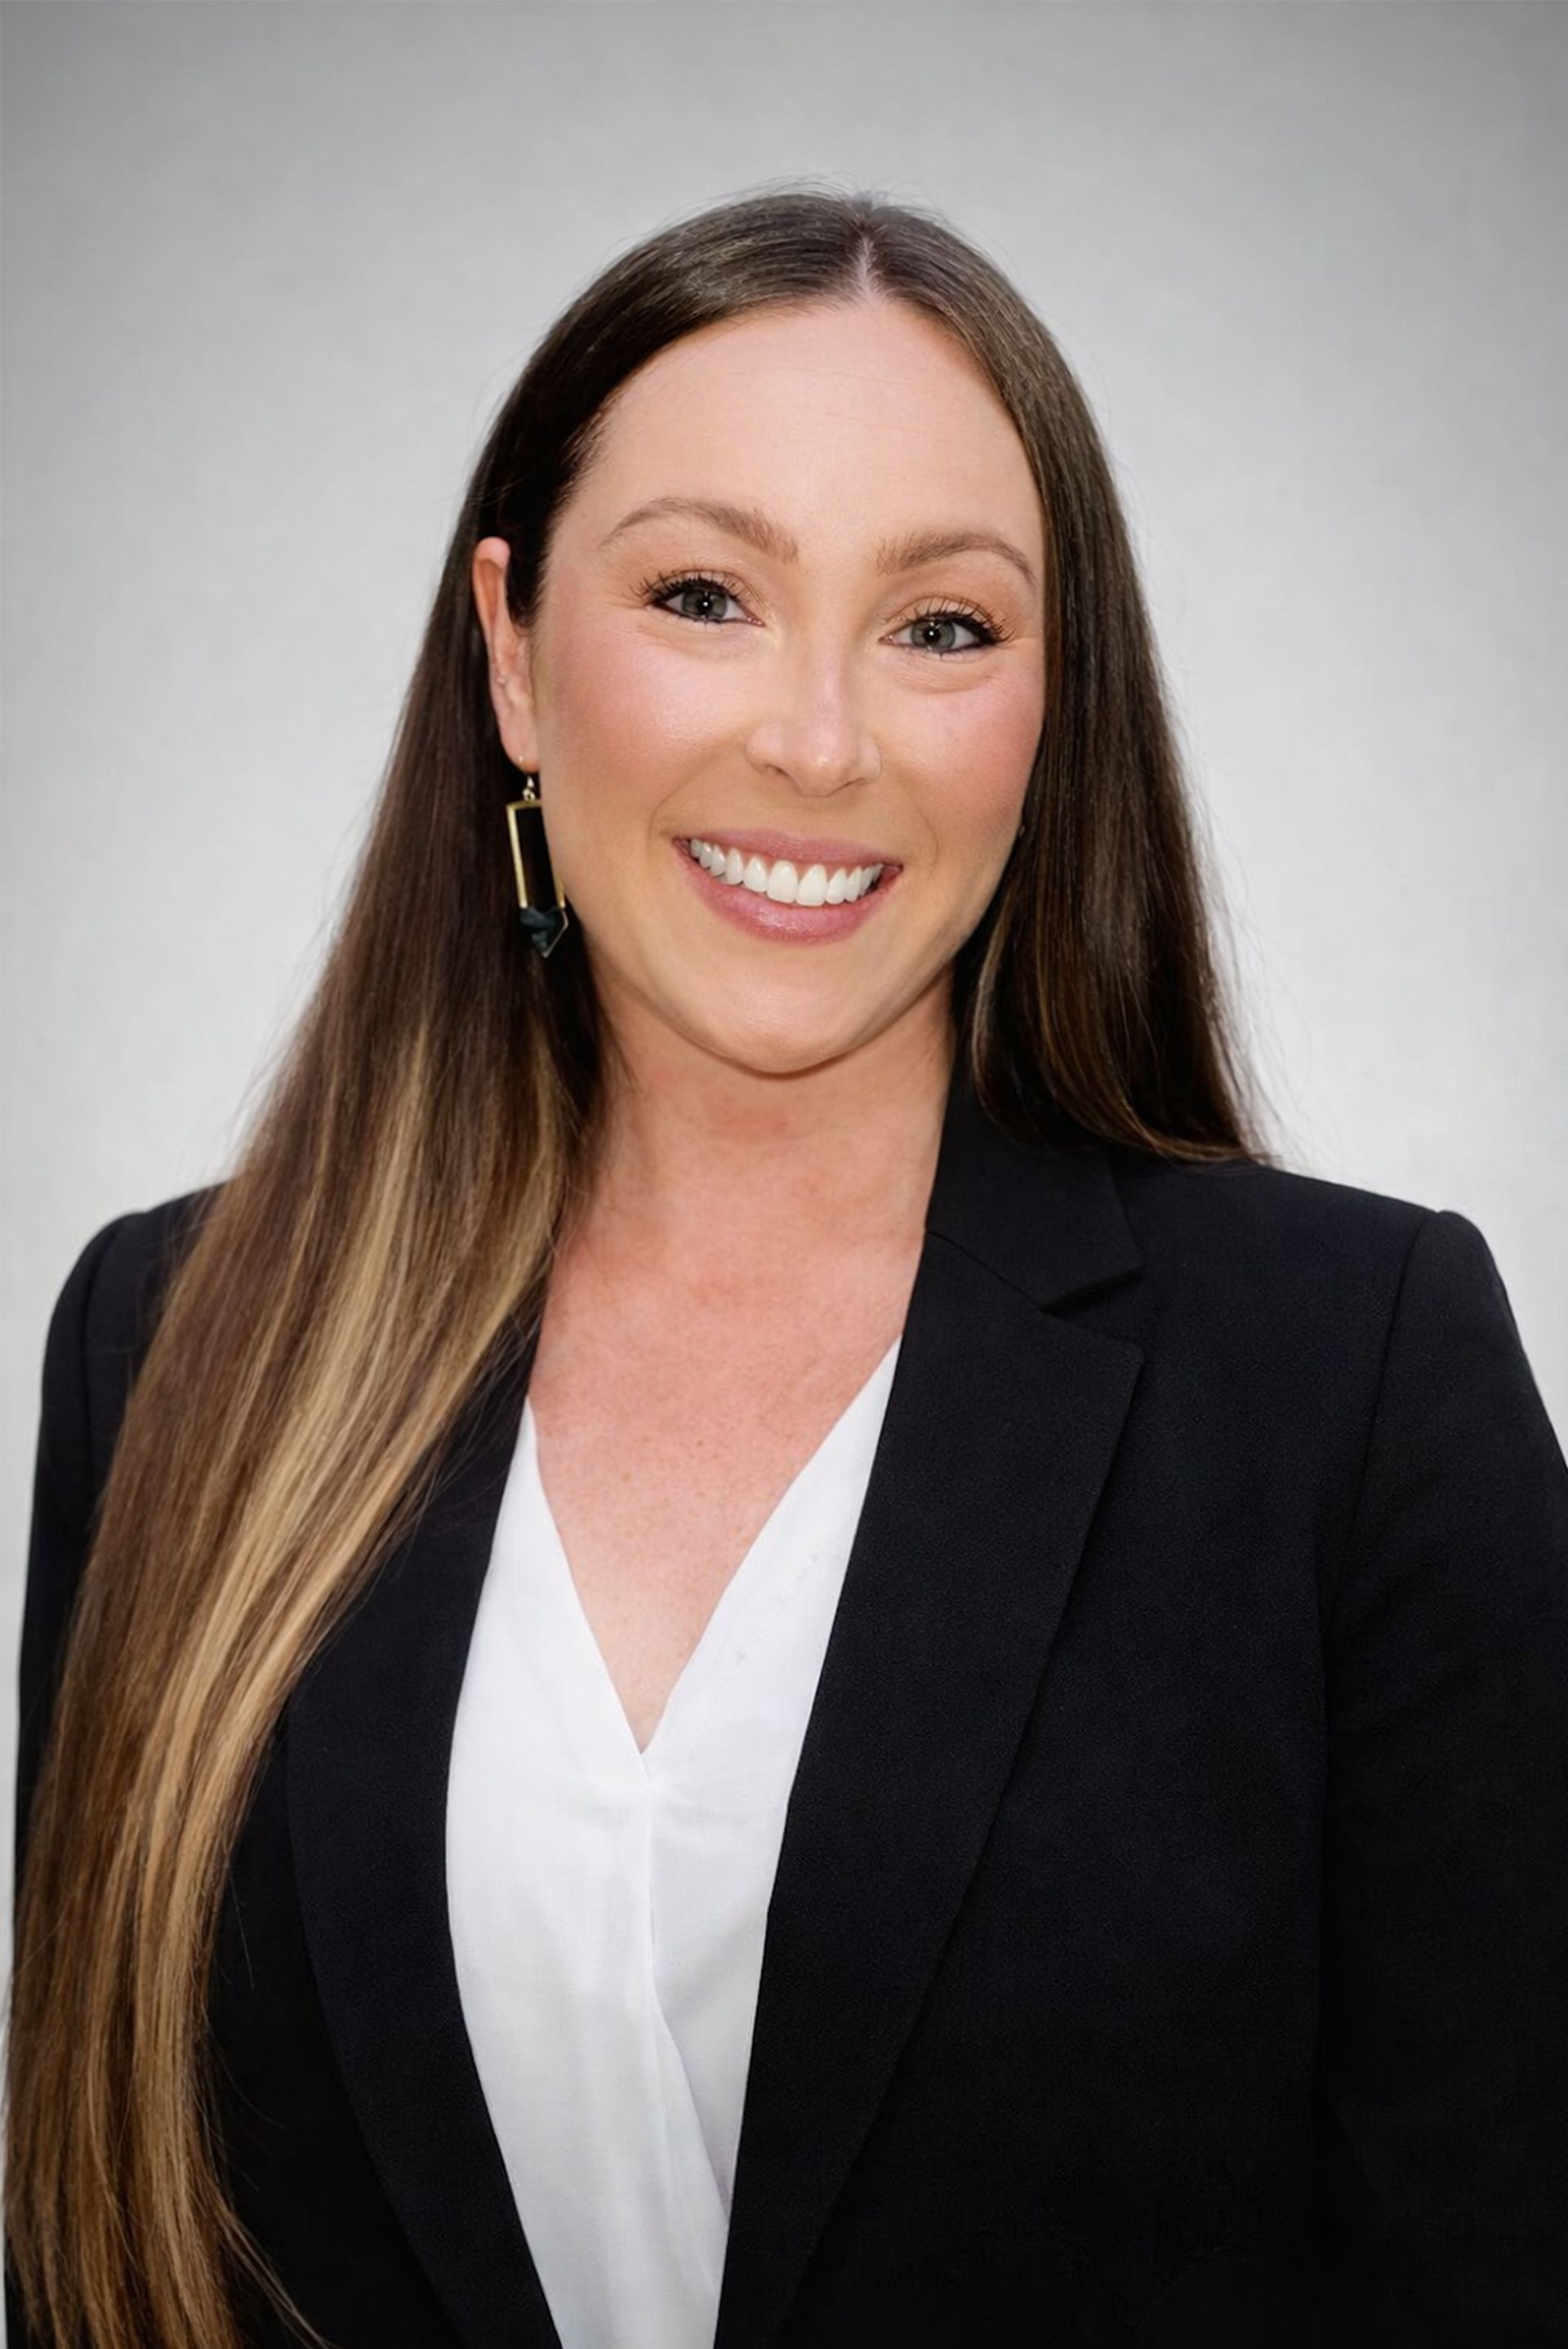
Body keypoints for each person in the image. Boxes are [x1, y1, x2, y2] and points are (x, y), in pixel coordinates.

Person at [7, 183, 1566, 2349]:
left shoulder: (1358, 1384)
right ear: (513, 649)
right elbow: (89, 2264)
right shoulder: (171, 1351)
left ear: (1054, 703)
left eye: (941, 626)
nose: (818, 741)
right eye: (706, 593)